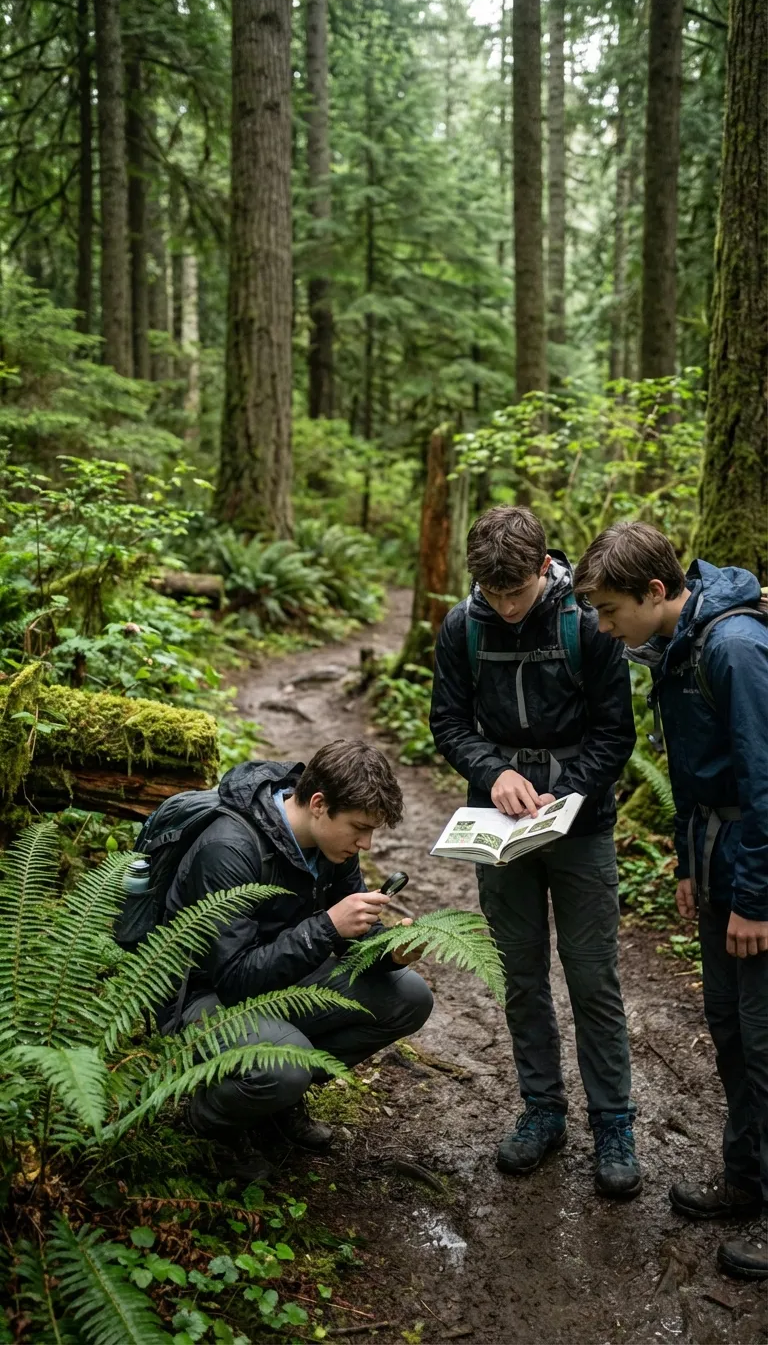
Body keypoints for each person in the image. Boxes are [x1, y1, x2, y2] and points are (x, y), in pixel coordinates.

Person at [574, 521, 768, 1282]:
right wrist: (691, 868)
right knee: (729, 1031)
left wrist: (755, 898)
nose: (602, 627)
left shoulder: (734, 649)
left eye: (610, 610)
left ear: (656, 592)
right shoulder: (673, 649)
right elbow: (695, 773)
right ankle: (747, 1178)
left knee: (765, 1039)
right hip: (718, 865)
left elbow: (764, 782)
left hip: (755, 874)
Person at [430, 506, 639, 1198]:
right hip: (499, 825)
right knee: (519, 973)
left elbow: (615, 733)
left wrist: (568, 795)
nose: (506, 607)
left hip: (582, 828)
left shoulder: (586, 622)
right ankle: (542, 1110)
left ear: (544, 567)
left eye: (516, 593)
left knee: (591, 977)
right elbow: (449, 722)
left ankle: (613, 1123)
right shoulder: (462, 626)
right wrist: (494, 773)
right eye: (494, 595)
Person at [157, 740, 433, 1181]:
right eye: (359, 827)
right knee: (285, 1062)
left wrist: (387, 952)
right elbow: (233, 979)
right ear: (319, 804)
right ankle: (208, 1125)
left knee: (408, 996)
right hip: (201, 999)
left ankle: (274, 1101)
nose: (365, 842)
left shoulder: (332, 847)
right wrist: (326, 926)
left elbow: (347, 938)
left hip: (280, 979)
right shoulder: (229, 848)